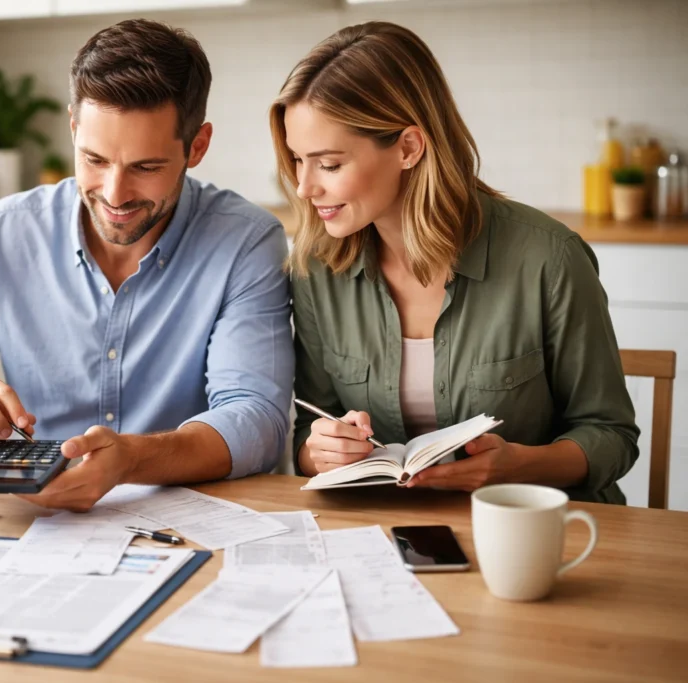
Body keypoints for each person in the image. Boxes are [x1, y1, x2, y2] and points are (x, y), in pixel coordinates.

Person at [0, 19, 293, 511]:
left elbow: (257, 419)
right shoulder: (5, 232)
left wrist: (132, 459)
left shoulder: (245, 241)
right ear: (73, 127)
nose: (115, 194)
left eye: (146, 167)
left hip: (184, 520)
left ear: (196, 147)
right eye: (94, 159)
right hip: (35, 520)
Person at [272, 22, 639, 504]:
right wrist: (320, 451)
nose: (304, 187)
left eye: (330, 164)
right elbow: (308, 431)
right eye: (298, 160)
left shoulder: (548, 258)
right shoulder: (319, 268)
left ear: (408, 148)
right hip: (389, 533)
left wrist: (518, 465)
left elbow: (611, 435)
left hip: (538, 529)